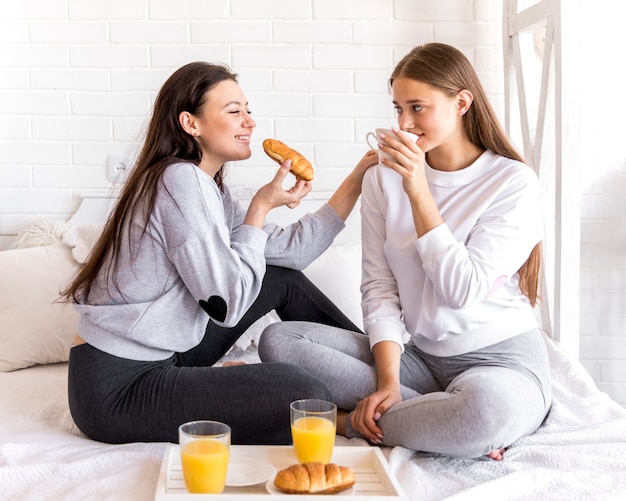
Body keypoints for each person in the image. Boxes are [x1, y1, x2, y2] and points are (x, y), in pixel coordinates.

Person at [259, 43, 552, 460]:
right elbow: (379, 288)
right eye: (398, 108)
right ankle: (436, 420)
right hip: (422, 361)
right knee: (281, 340)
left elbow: (460, 290)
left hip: (501, 364)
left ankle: (342, 422)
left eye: (417, 108)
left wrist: (418, 190)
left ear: (461, 103)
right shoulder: (383, 178)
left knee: (483, 413)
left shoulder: (512, 183)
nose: (404, 123)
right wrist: (388, 382)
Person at [61, 61, 377, 445]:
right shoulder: (178, 181)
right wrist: (259, 208)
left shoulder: (210, 189)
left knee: (281, 279)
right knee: (302, 391)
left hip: (167, 354)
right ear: (191, 123)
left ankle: (388, 371)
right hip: (117, 387)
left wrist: (359, 177)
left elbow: (291, 253)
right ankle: (350, 415)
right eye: (234, 111)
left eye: (248, 111)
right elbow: (226, 305)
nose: (249, 122)